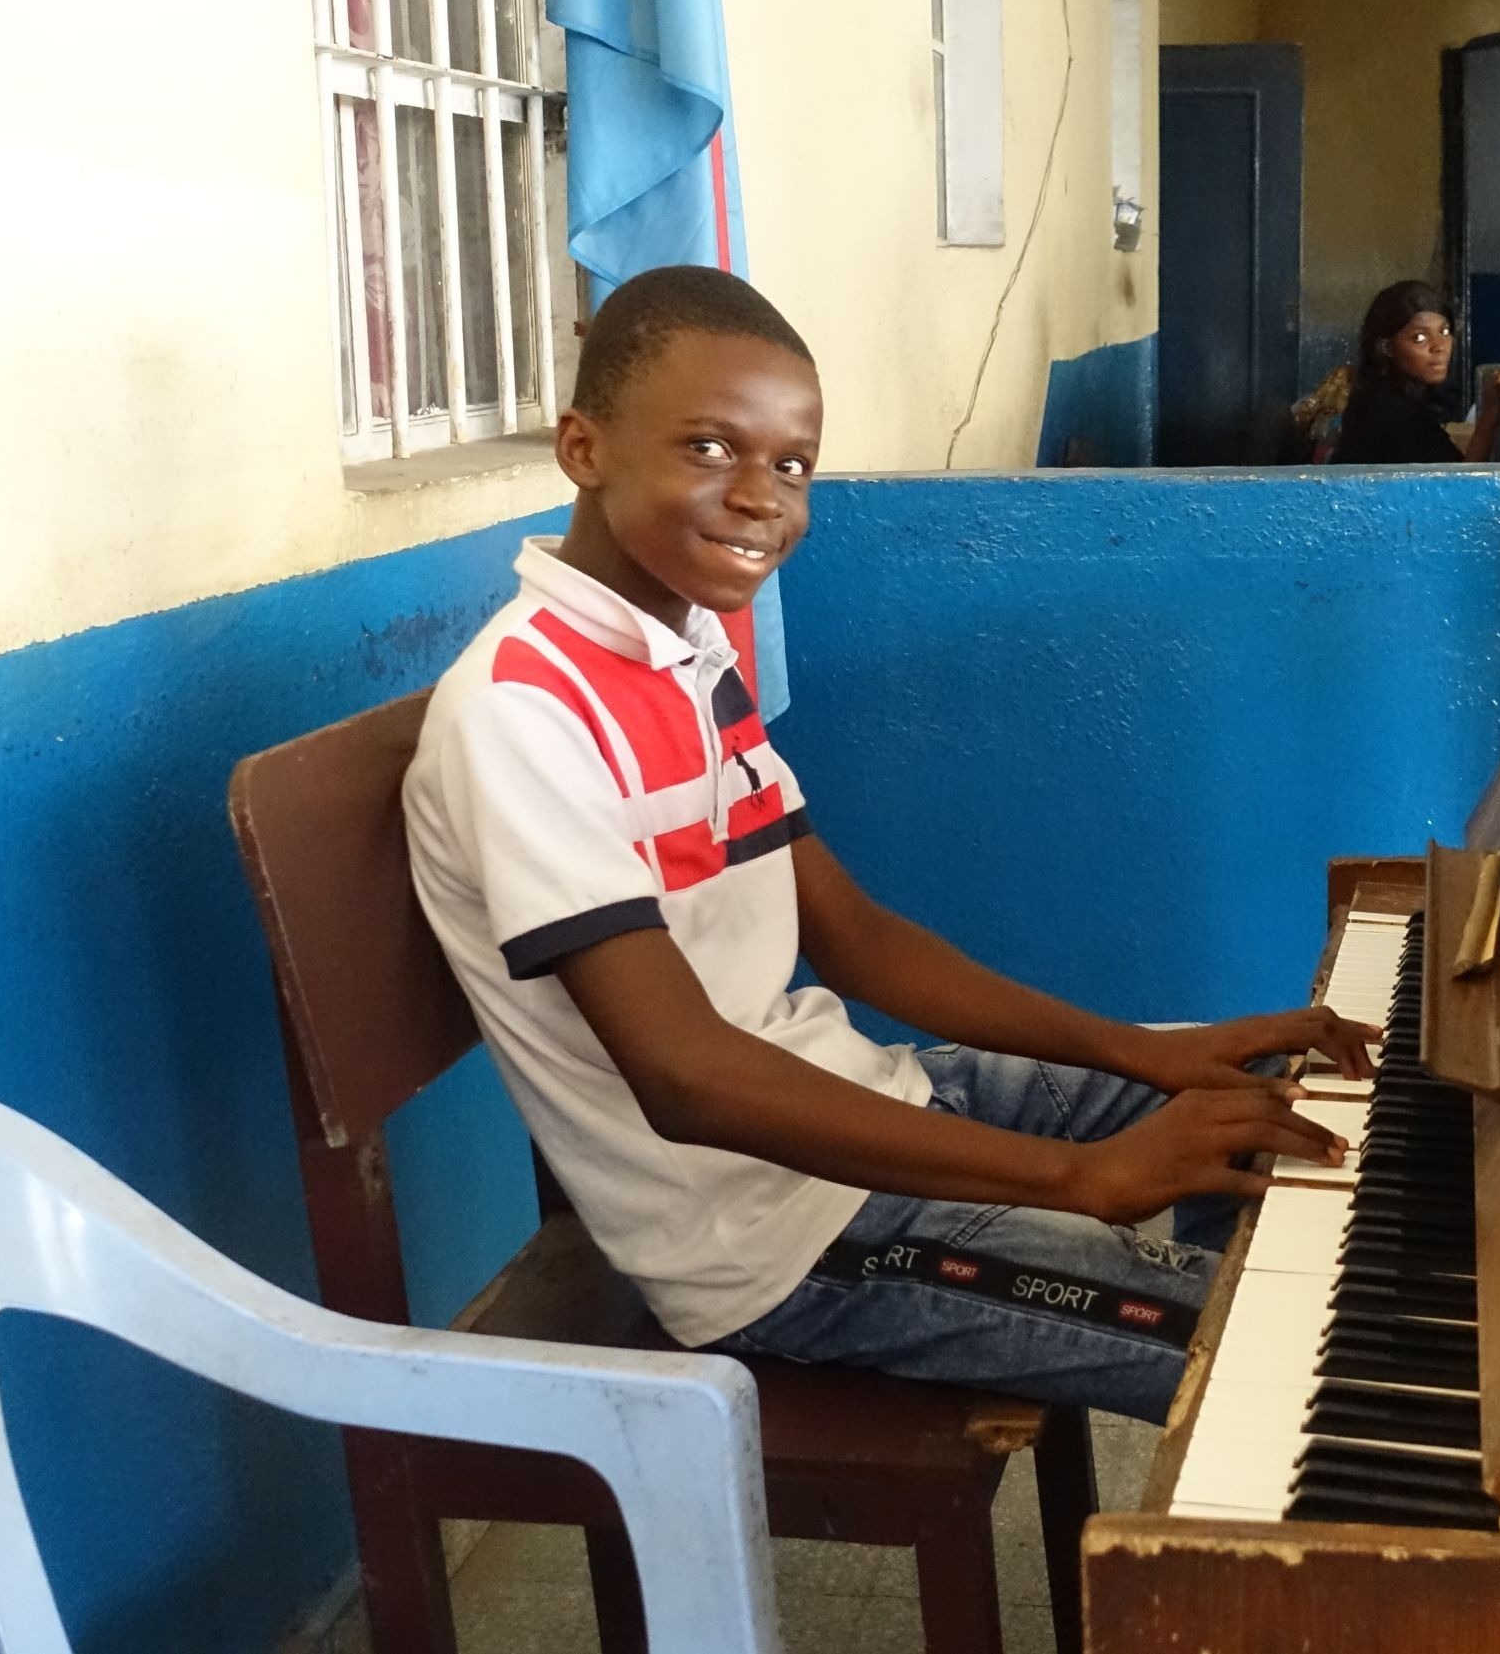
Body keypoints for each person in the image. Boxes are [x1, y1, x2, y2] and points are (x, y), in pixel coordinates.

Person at [402, 265, 1371, 1424]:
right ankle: (1226, 1428)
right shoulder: (523, 712)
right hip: (769, 1239)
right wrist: (1084, 1179)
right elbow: (687, 1080)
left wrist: (1146, 1053)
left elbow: (857, 940)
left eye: (792, 465)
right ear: (584, 449)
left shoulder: (688, 655)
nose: (760, 497)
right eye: (710, 447)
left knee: (1261, 1095)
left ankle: (1203, 1458)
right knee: (1285, 1357)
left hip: (864, 1100)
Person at [1328, 281, 1500, 464]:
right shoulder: (1392, 413)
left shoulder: (1397, 398)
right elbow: (1459, 479)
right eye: (1420, 337)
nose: (1439, 346)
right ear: (1387, 348)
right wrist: (1489, 416)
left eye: (1444, 331)